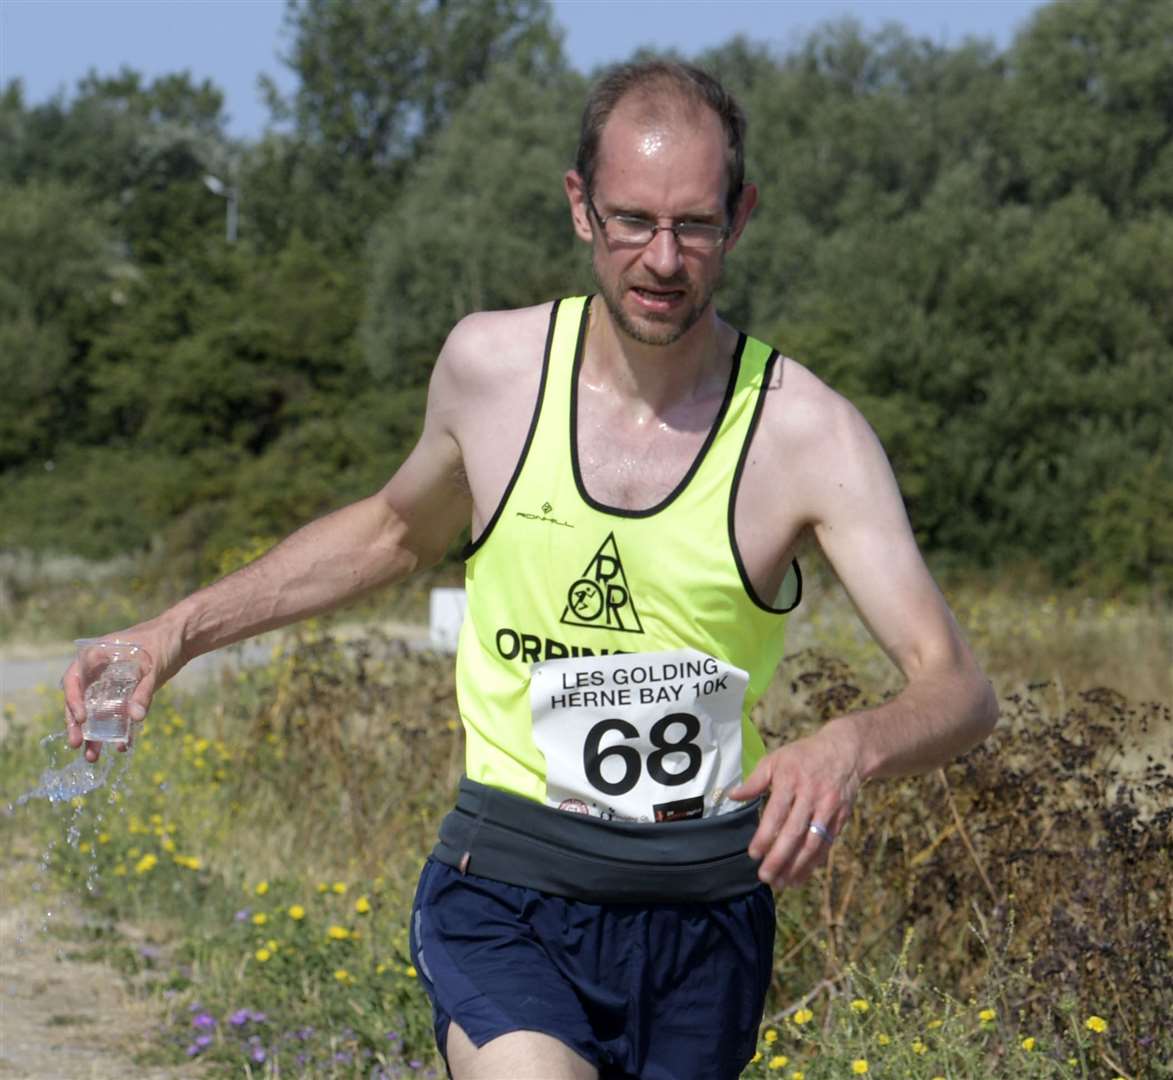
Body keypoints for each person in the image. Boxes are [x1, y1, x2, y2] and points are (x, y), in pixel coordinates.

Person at [64, 60, 998, 1080]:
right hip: (503, 885)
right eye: (632, 220)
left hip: (702, 923)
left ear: (742, 217)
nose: (663, 258)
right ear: (578, 208)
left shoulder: (808, 433)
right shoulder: (492, 372)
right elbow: (390, 531)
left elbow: (956, 687)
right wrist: (174, 633)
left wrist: (850, 745)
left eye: (695, 224)